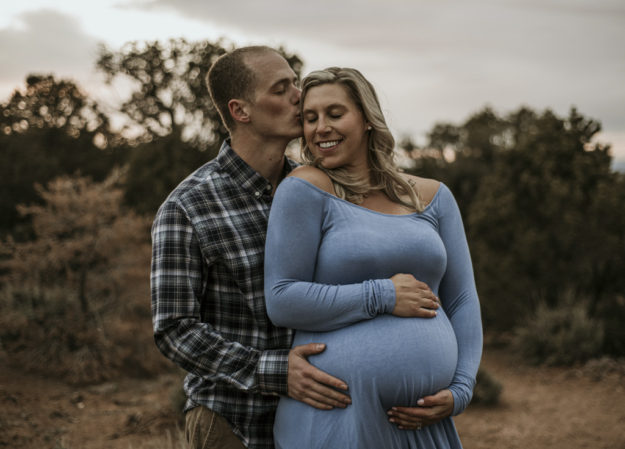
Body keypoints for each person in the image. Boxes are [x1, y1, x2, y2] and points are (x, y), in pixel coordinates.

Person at [264, 67, 483, 448]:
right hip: (337, 418)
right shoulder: (304, 189)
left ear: (366, 119)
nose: (320, 129)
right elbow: (281, 298)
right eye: (310, 118)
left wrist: (461, 389)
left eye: (335, 114)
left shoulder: (433, 197)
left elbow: (462, 299)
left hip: (423, 426)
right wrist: (382, 296)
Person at [150, 47, 354, 449]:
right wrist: (273, 371)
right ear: (240, 111)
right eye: (282, 89)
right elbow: (175, 329)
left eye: (296, 82)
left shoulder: (321, 190)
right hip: (235, 422)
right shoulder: (188, 206)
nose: (300, 94)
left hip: (322, 418)